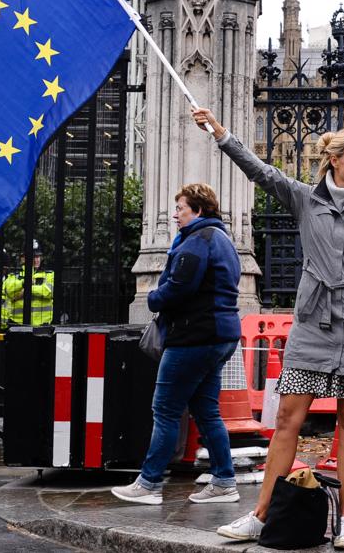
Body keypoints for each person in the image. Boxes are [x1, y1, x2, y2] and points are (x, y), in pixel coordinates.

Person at [194, 108, 344, 551]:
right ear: (334, 160)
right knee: (287, 419)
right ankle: (260, 515)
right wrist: (222, 135)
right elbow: (262, 173)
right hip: (313, 322)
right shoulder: (306, 197)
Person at [112, 183, 244, 506]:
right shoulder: (223, 239)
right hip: (220, 336)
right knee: (206, 411)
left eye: (180, 208)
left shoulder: (198, 241)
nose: (175, 215)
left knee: (166, 409)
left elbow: (178, 289)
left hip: (193, 337)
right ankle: (225, 481)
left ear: (198, 210)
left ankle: (149, 483)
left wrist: (154, 298)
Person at [2, 240, 54, 326]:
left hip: (42, 325)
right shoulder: (15, 275)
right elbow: (9, 290)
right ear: (23, 258)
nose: (37, 259)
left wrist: (27, 289)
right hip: (17, 324)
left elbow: (48, 291)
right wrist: (24, 282)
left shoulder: (49, 274)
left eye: (38, 256)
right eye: (34, 257)